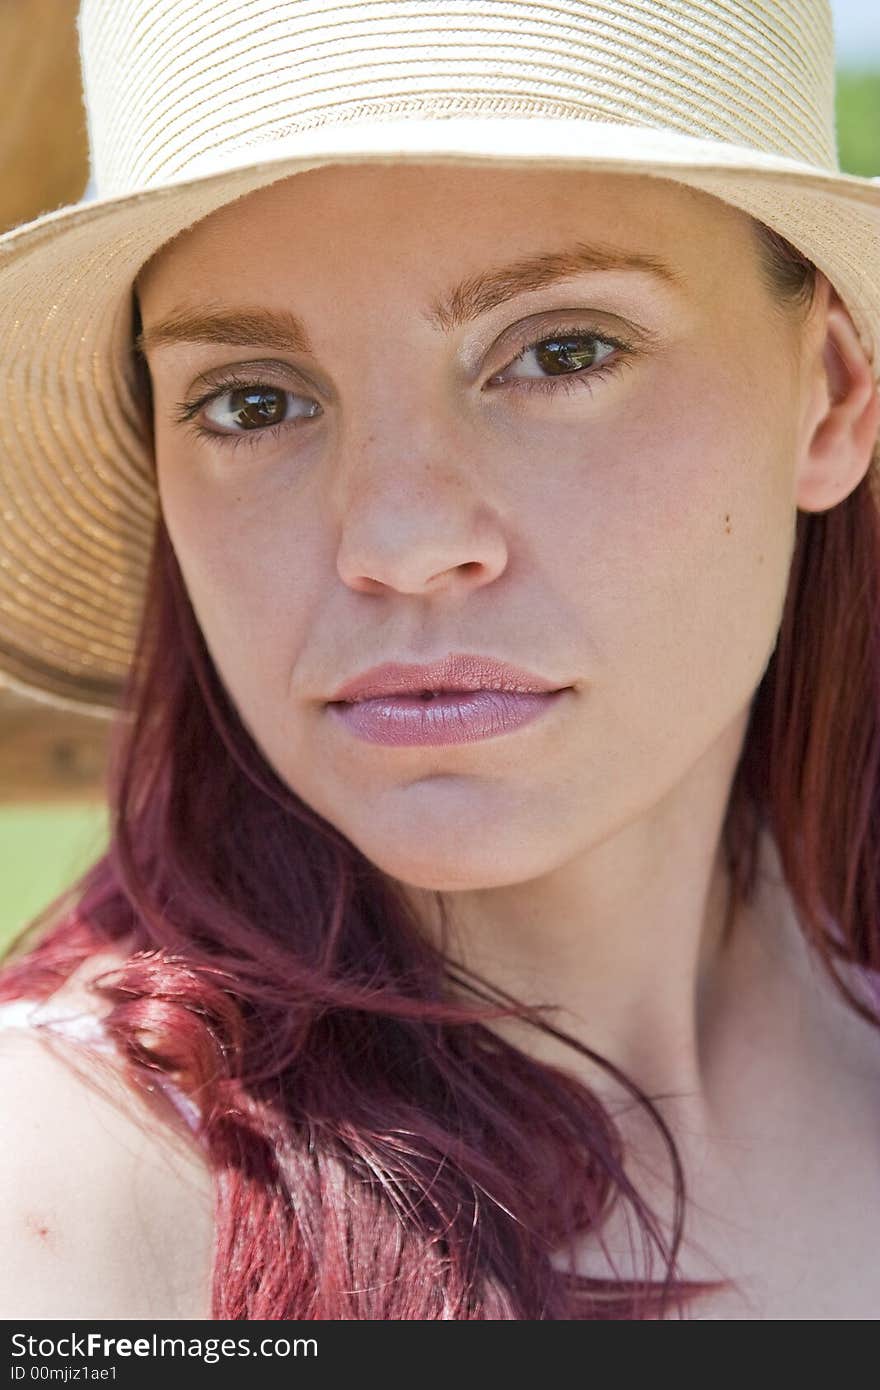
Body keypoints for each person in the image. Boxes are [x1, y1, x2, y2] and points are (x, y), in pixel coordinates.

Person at [0, 0, 878, 1322]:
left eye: (560, 351)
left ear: (831, 393)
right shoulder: (79, 1209)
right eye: (254, 399)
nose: (400, 542)